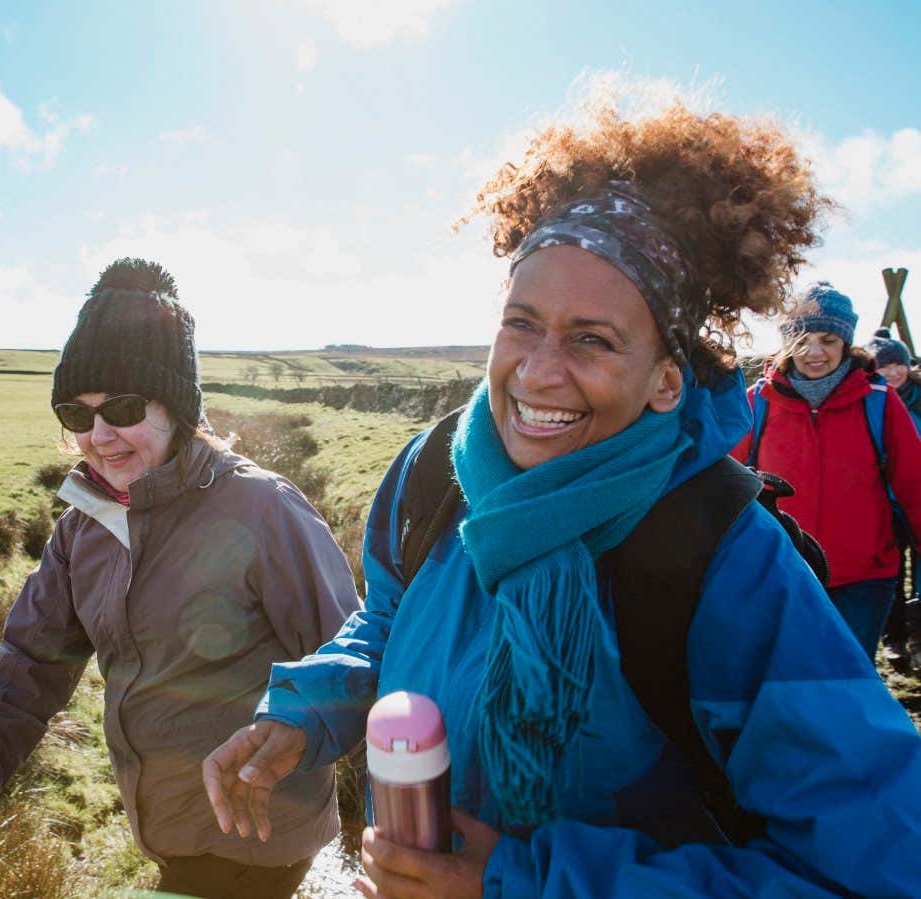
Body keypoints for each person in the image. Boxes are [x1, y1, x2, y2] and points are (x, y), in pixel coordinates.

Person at [203, 104, 921, 898]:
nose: (539, 371)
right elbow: (391, 619)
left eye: (592, 339)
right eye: (521, 324)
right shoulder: (432, 473)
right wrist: (303, 712)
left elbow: (874, 869)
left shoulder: (724, 558)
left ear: (666, 381)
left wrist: (522, 882)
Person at [0, 258, 360, 899]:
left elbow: (356, 663)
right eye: (77, 413)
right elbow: (28, 667)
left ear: (176, 407)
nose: (100, 435)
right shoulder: (84, 527)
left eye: (123, 407)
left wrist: (395, 827)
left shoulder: (263, 509)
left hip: (257, 841)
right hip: (169, 834)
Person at [734, 289, 921, 658]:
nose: (814, 352)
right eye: (801, 340)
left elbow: (915, 485)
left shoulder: (879, 402)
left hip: (864, 579)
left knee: (848, 682)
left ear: (846, 342)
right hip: (780, 573)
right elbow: (726, 484)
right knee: (789, 683)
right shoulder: (758, 402)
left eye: (828, 340)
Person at [867, 326, 921, 664]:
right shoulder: (871, 401)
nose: (892, 372)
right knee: (890, 574)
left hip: (916, 496)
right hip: (883, 501)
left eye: (897, 364)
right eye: (883, 366)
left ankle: (918, 635)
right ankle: (895, 636)